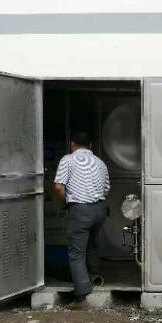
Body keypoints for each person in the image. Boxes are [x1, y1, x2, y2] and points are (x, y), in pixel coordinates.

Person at [53, 131, 110, 308]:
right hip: (100, 209)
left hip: (81, 209)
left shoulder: (68, 160)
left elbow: (59, 187)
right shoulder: (100, 163)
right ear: (90, 145)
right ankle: (94, 277)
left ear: (72, 144)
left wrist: (65, 203)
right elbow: (107, 190)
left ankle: (81, 297)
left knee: (76, 253)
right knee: (92, 244)